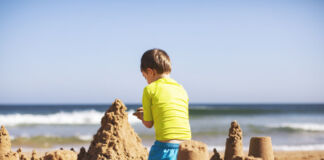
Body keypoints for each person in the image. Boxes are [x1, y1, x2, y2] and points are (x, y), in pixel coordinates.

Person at [133, 48, 191, 160]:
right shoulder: (181, 89)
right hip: (186, 148)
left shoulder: (149, 89)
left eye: (145, 77)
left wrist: (142, 116)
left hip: (165, 148)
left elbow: (149, 124)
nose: (146, 81)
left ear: (150, 72)